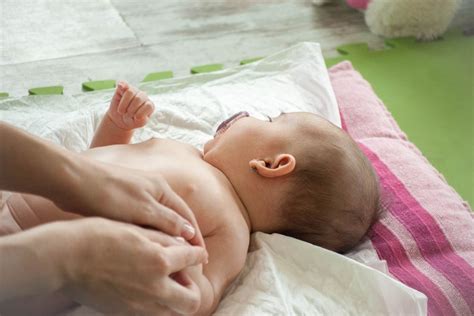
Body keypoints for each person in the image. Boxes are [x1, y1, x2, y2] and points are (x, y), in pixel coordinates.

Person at [0, 81, 380, 315]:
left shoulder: (230, 231)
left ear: (271, 163)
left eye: (269, 121)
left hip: (31, 269)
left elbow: (199, 297)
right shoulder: (184, 152)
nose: (250, 116)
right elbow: (93, 167)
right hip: (20, 192)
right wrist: (117, 127)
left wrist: (188, 278)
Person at [0, 121, 208, 315]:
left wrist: (185, 260)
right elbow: (101, 153)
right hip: (14, 216)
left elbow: (201, 297)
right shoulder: (178, 148)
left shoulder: (236, 225)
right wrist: (116, 127)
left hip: (37, 282)